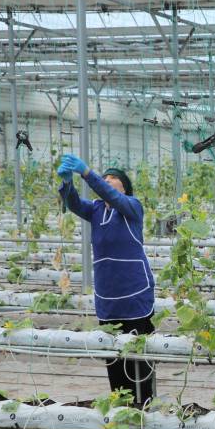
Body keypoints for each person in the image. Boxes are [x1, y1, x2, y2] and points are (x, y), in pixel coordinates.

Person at [57, 154, 156, 407]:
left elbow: (111, 196)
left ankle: (145, 405)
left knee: (138, 353)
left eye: (113, 178)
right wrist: (67, 183)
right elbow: (73, 203)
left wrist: (87, 173)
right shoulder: (96, 209)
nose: (108, 180)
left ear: (125, 187)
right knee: (113, 354)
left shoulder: (132, 206)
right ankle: (121, 406)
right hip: (107, 295)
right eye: (106, 177)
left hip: (134, 293)